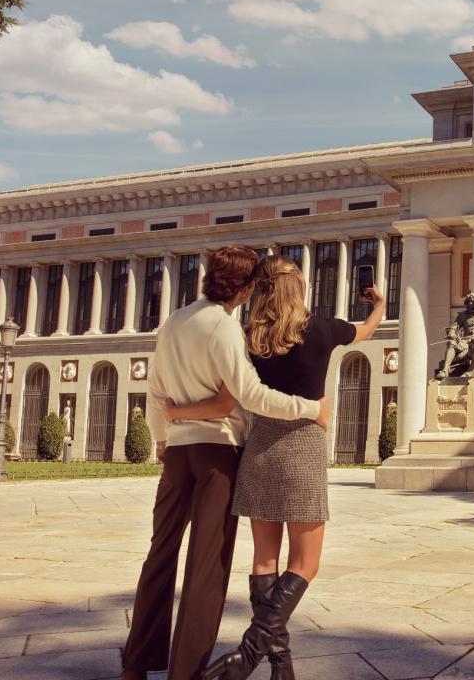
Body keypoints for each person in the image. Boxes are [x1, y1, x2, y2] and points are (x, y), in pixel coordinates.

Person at [168, 256, 386, 680]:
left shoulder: (249, 338)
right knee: (305, 564)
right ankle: (248, 656)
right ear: (300, 287)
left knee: (265, 560)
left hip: (260, 448)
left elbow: (234, 395)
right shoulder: (322, 329)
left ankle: (281, 668)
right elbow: (366, 330)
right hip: (302, 447)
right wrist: (377, 304)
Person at [120, 247, 328, 680]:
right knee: (205, 567)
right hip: (217, 454)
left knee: (159, 556)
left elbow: (156, 392)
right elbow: (252, 397)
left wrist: (163, 437)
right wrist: (309, 409)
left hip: (177, 454)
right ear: (246, 286)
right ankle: (186, 672)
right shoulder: (226, 329)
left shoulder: (174, 321)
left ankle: (137, 662)